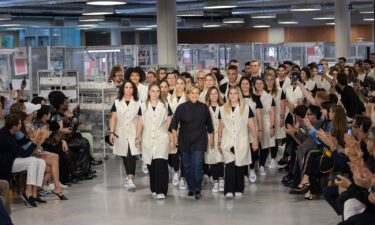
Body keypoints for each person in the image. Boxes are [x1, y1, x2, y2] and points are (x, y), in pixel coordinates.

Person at [169, 86, 214, 200]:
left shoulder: (204, 108)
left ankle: (197, 187)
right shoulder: (181, 108)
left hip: (199, 140)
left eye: (197, 93)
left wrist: (212, 140)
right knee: (187, 166)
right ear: (188, 94)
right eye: (192, 93)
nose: (195, 95)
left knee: (197, 165)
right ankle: (191, 187)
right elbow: (174, 125)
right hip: (185, 141)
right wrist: (174, 139)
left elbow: (209, 126)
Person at [218, 86, 258, 198]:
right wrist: (218, 142)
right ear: (228, 95)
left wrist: (255, 140)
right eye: (231, 93)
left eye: (235, 93)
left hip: (241, 140)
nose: (233, 95)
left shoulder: (245, 108)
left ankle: (239, 188)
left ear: (239, 95)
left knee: (239, 165)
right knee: (230, 165)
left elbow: (251, 125)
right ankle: (229, 190)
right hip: (228, 141)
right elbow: (221, 127)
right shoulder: (222, 109)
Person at [0, 113, 47, 207]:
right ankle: (27, 193)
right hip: (6, 165)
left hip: (12, 160)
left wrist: (32, 137)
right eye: (20, 124)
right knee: (33, 160)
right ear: (14, 126)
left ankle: (34, 193)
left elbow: (21, 142)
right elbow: (24, 153)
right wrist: (35, 142)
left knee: (41, 161)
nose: (21, 125)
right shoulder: (4, 137)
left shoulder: (10, 132)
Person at [136, 83, 173, 199]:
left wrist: (172, 139)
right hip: (147, 139)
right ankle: (154, 188)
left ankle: (162, 190)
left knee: (160, 164)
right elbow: (140, 123)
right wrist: (137, 137)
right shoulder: (142, 106)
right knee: (151, 165)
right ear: (148, 92)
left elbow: (170, 123)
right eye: (153, 91)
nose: (155, 93)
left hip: (162, 138)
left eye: (157, 91)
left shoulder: (165, 105)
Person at [109, 80, 142, 191]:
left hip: (133, 131)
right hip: (121, 132)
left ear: (134, 89)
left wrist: (139, 134)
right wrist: (112, 132)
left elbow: (140, 119)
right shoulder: (117, 102)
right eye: (126, 87)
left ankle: (130, 178)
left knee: (130, 154)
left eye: (131, 87)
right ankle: (129, 177)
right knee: (124, 154)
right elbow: (113, 118)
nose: (128, 89)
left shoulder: (138, 102)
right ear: (123, 89)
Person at [239, 76, 263, 183]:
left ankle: (252, 169)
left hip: (253, 127)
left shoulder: (255, 97)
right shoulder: (236, 98)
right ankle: (244, 173)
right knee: (243, 151)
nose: (244, 86)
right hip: (241, 129)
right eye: (242, 84)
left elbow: (258, 114)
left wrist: (260, 130)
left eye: (246, 84)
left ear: (250, 85)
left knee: (254, 150)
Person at [252, 77, 276, 177]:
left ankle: (262, 165)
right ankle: (253, 166)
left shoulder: (269, 97)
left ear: (264, 84)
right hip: (253, 122)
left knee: (265, 146)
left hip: (266, 122)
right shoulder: (251, 96)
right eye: (257, 83)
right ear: (254, 85)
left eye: (261, 83)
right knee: (254, 144)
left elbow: (272, 113)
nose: (259, 85)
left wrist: (272, 127)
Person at [167, 77, 188, 190]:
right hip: (173, 127)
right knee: (174, 150)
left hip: (185, 129)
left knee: (184, 152)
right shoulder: (170, 98)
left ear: (185, 85)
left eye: (181, 83)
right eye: (177, 83)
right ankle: (176, 171)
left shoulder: (188, 97)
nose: (179, 85)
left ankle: (183, 178)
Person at [204, 87, 225, 193]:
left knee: (220, 159)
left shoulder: (223, 107)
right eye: (211, 94)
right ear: (208, 96)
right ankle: (215, 181)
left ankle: (221, 180)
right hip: (209, 137)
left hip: (221, 136)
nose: (213, 95)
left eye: (215, 93)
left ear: (218, 95)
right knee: (212, 160)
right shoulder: (204, 108)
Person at [265, 73, 286, 169]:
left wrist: (282, 118)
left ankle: (273, 158)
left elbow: (282, 105)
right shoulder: (261, 91)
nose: (269, 82)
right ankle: (264, 158)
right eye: (267, 79)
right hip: (264, 118)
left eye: (271, 79)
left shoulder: (280, 91)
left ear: (274, 81)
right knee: (265, 139)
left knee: (274, 139)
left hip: (276, 117)